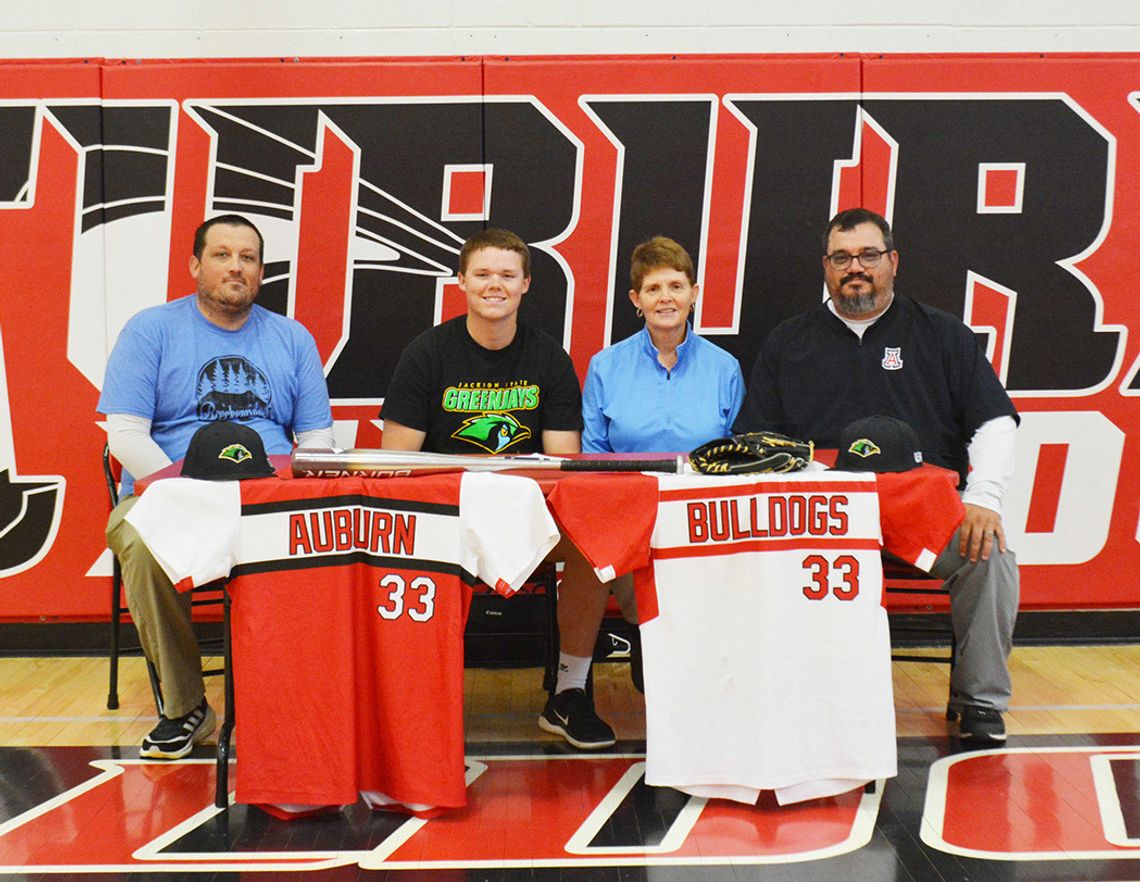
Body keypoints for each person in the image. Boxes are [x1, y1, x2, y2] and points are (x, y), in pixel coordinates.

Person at [734, 207, 1019, 743]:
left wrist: (985, 497)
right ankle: (782, 695)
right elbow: (758, 443)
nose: (855, 268)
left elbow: (996, 420)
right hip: (818, 518)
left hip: (925, 510)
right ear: (826, 267)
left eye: (868, 255)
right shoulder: (788, 342)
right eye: (842, 258)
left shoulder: (942, 335)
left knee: (991, 554)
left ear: (893, 262)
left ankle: (980, 701)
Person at [100, 214, 334, 759]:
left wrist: (293, 494)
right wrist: (178, 491)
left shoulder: (291, 337)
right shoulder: (151, 329)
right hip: (168, 494)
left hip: (267, 498)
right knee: (136, 540)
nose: (236, 266)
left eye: (248, 258)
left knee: (332, 531)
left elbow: (317, 439)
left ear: (260, 270)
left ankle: (296, 698)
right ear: (195, 265)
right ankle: (186, 709)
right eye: (222, 254)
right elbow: (124, 433)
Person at [381, 227, 615, 750]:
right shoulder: (426, 353)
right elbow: (394, 462)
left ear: (526, 284)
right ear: (460, 280)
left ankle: (569, 693)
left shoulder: (549, 358)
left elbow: (562, 465)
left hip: (525, 510)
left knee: (589, 540)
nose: (495, 285)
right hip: (445, 512)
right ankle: (415, 695)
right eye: (483, 274)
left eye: (507, 275)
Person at [582, 235, 744, 454]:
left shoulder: (725, 368)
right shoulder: (604, 367)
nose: (665, 298)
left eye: (676, 286)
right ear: (636, 299)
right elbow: (593, 458)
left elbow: (738, 456)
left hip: (703, 488)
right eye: (653, 289)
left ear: (693, 294)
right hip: (627, 488)